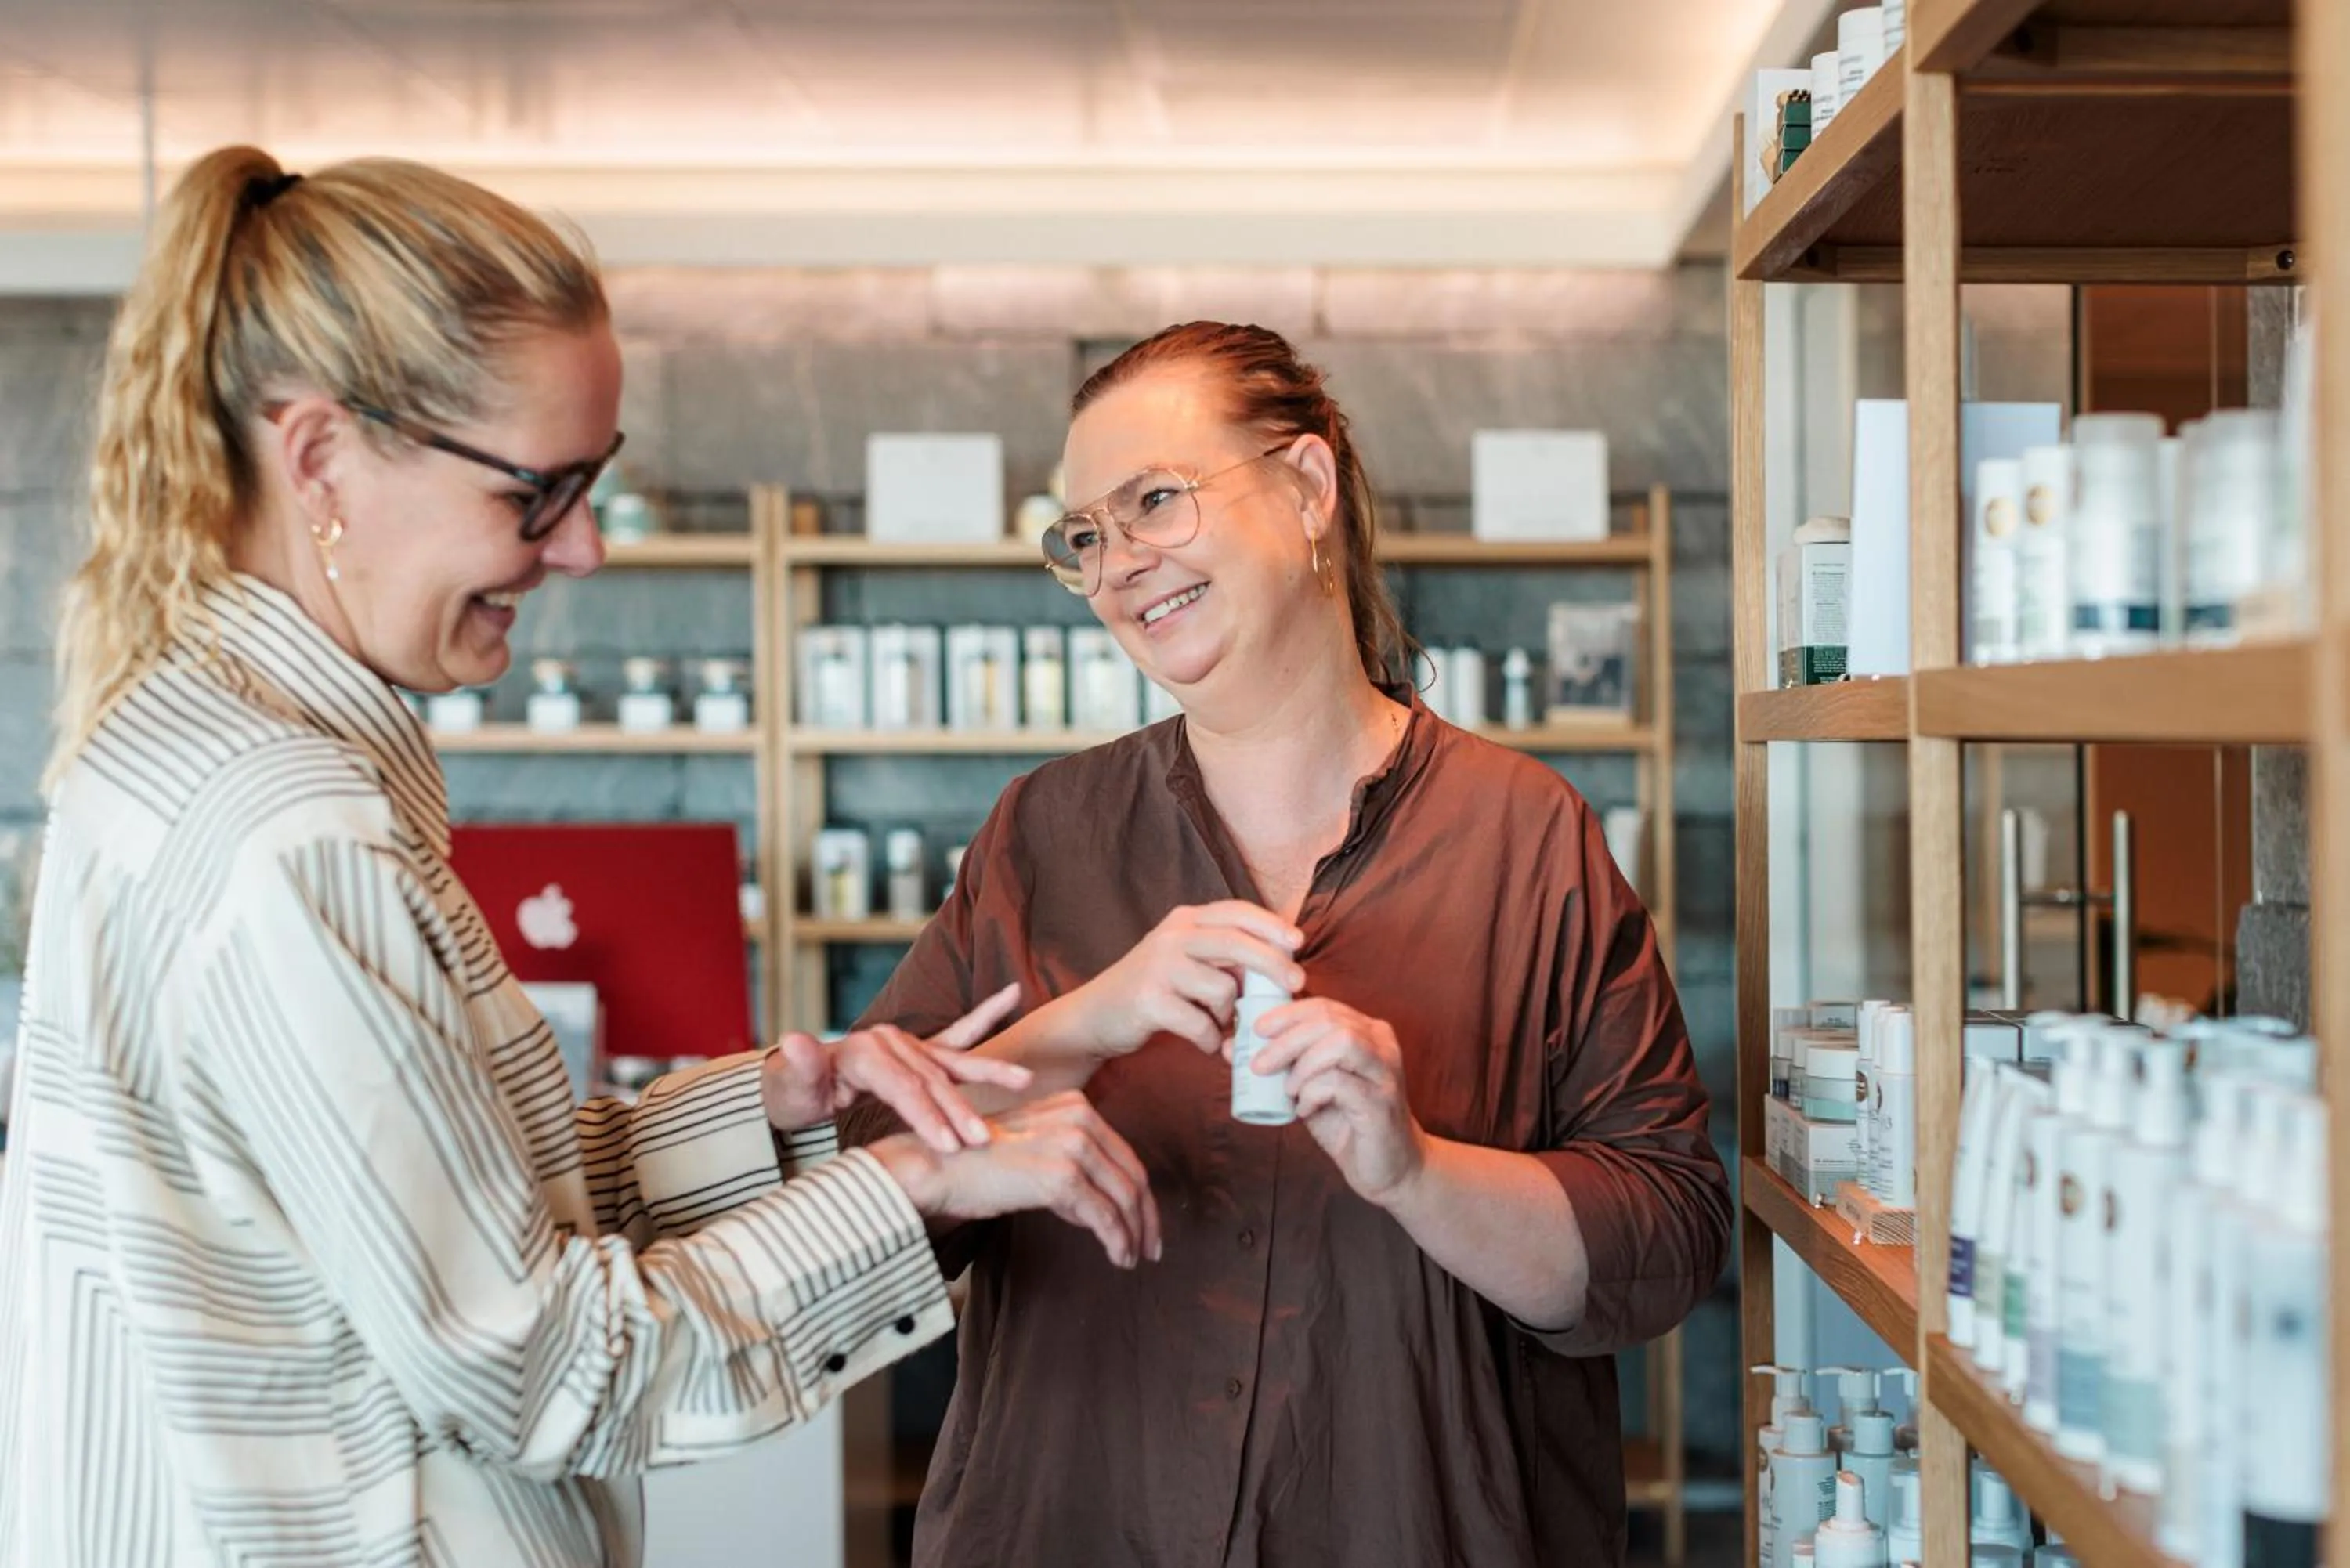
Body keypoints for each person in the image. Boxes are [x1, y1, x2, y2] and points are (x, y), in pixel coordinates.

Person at [0, 146, 1158, 1568]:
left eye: (592, 483)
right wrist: (905, 1189)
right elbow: (536, 1361)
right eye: (536, 493)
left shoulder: (190, 744)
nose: (585, 549)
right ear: (318, 460)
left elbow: (457, 1219)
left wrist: (782, 1107)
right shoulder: (287, 832)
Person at [844, 322, 1732, 1566]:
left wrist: (1418, 1170)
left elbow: (1664, 1239)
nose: (1118, 567)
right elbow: (863, 1191)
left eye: (1156, 498)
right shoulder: (1044, 836)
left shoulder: (1526, 838)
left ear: (1308, 489)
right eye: (1085, 536)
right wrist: (1083, 1025)